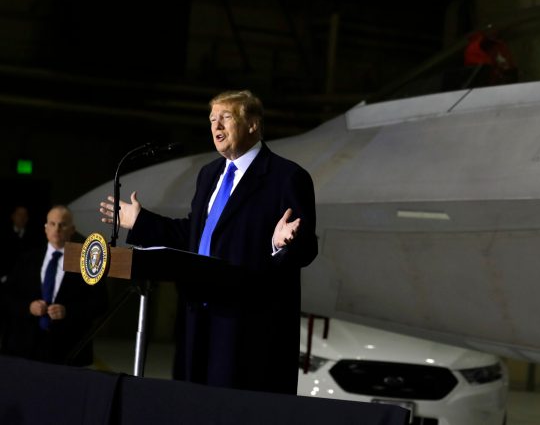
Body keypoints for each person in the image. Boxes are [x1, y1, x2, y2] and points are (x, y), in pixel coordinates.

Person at [99, 90, 317, 394]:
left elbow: (307, 248)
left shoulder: (286, 177)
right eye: (212, 119)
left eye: (226, 118)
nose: (216, 126)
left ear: (253, 123)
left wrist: (283, 244)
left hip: (246, 327)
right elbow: (196, 235)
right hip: (197, 317)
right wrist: (141, 222)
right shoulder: (209, 174)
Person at [0, 205, 108, 366]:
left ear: (72, 229)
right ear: (45, 228)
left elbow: (100, 303)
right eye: (52, 223)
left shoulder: (86, 263)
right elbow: (6, 297)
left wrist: (68, 311)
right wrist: (28, 307)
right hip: (24, 349)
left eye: (62, 224)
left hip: (68, 350)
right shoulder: (27, 259)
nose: (56, 229)